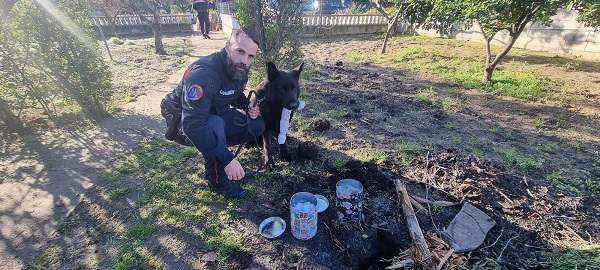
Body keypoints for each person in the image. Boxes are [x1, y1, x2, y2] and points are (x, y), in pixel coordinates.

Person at [168, 28, 264, 198]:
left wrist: (247, 106)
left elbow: (234, 94)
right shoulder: (203, 73)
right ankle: (217, 179)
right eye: (240, 51)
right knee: (214, 126)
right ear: (227, 46)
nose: (244, 60)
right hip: (184, 122)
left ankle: (217, 149)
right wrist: (227, 159)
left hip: (215, 115)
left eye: (250, 56)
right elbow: (193, 124)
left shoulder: (239, 69)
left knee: (256, 125)